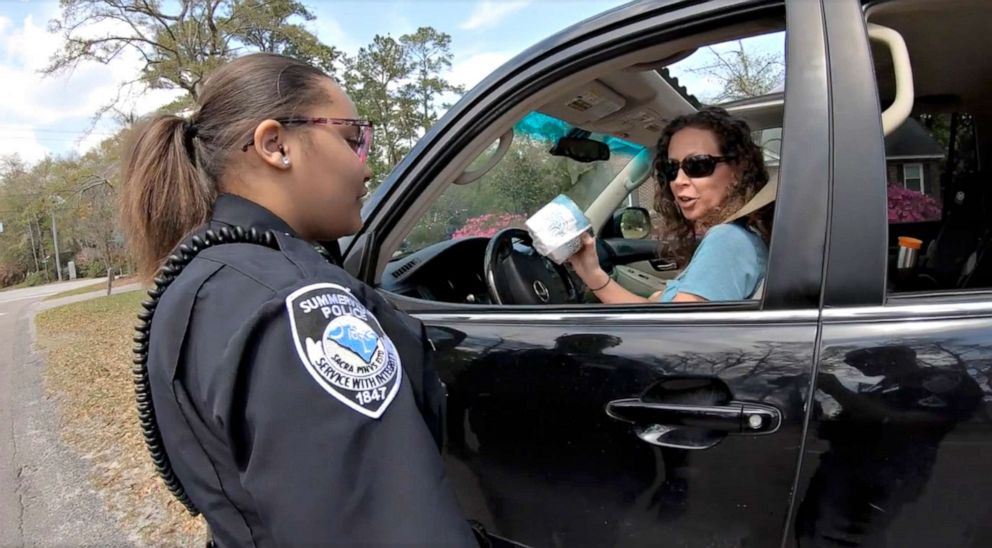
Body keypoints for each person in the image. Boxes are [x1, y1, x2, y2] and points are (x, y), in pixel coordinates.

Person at [121, 53, 476, 547]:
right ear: (275, 144)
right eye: (353, 138)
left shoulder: (199, 279)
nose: (365, 165)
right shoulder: (302, 305)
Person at [568, 107, 772, 303]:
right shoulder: (745, 236)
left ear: (737, 171)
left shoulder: (728, 240)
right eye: (671, 168)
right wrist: (593, 274)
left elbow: (677, 333)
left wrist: (660, 300)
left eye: (698, 165)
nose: (678, 180)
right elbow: (674, 323)